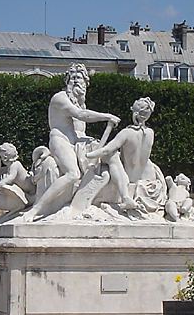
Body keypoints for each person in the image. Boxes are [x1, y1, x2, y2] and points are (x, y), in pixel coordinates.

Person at [22, 63, 120, 221]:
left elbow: (81, 126)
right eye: (72, 78)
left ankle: (122, 197)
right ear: (67, 82)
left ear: (86, 83)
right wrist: (107, 116)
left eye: (79, 78)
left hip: (77, 144)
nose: (76, 81)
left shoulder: (80, 102)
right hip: (60, 140)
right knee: (72, 174)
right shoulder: (60, 98)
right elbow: (81, 115)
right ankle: (35, 210)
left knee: (110, 155)